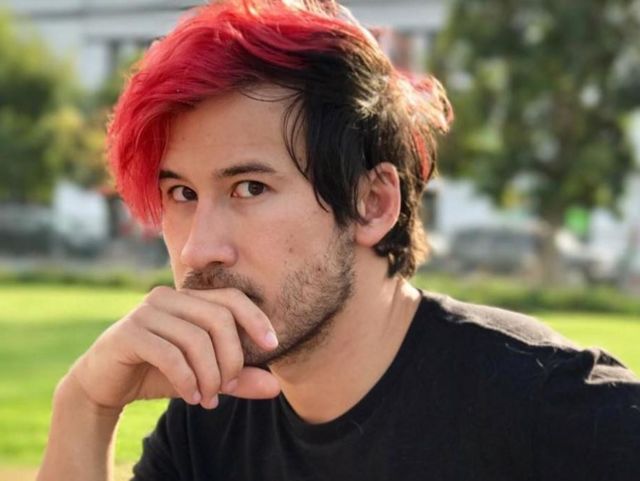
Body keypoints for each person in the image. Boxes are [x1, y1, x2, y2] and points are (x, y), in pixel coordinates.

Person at [37, 1, 640, 480]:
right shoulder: (210, 427)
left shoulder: (554, 409)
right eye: (182, 194)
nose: (198, 250)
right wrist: (86, 404)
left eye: (249, 188)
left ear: (372, 203)